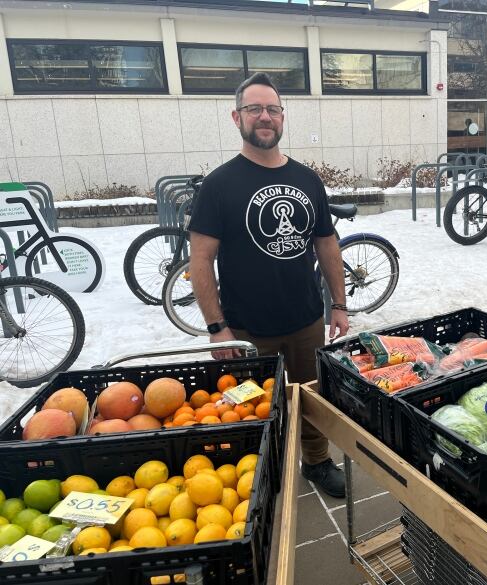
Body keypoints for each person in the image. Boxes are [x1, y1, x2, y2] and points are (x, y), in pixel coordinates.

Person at [187, 72, 349, 498]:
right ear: (236, 116)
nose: (264, 116)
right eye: (255, 109)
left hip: (305, 320)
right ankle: (259, 476)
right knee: (250, 409)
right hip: (245, 329)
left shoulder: (307, 179)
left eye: (272, 109)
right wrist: (215, 326)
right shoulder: (219, 185)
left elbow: (326, 245)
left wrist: (339, 304)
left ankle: (316, 462)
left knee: (312, 399)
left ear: (282, 117)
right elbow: (200, 259)